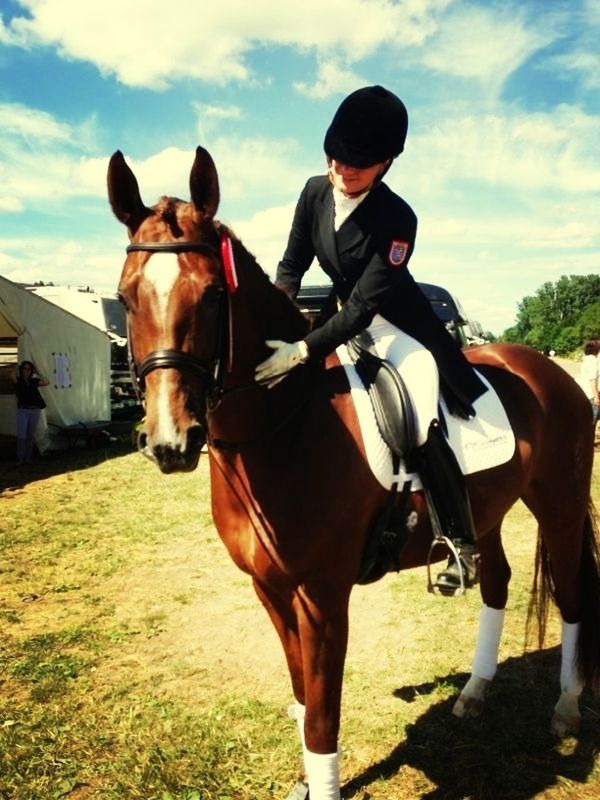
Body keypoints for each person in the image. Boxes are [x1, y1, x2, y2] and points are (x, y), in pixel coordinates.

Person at [255, 85, 488, 594]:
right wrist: (277, 321)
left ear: (387, 162)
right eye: (336, 158)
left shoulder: (399, 219)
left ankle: (461, 543)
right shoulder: (314, 191)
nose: (343, 172)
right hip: (340, 322)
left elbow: (364, 307)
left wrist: (305, 348)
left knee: (418, 419)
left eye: (359, 164)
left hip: (397, 327)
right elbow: (292, 264)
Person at [12, 360, 49, 465]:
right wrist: (16, 368)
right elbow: (12, 376)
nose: (27, 371)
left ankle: (28, 458)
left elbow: (47, 381)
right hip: (23, 410)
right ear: (21, 370)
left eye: (29, 369)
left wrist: (37, 372)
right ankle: (20, 458)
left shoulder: (34, 381)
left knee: (30, 435)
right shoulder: (18, 380)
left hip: (35, 410)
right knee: (21, 434)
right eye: (25, 368)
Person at [578, 340, 600, 443]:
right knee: (592, 421)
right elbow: (592, 379)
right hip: (592, 395)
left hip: (585, 393)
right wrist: (596, 396)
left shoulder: (586, 360)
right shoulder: (593, 361)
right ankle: (587, 442)